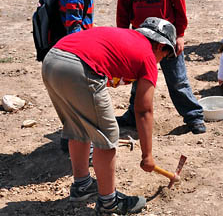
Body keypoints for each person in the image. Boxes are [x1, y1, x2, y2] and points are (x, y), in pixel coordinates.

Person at [42, 17, 177, 214]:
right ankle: (108, 203)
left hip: (53, 59)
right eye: (165, 55)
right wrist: (147, 156)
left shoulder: (126, 37)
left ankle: (82, 186)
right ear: (160, 46)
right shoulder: (148, 54)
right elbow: (143, 109)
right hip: (78, 67)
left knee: (78, 127)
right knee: (107, 135)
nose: (161, 60)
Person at [116, 0, 206, 134]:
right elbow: (122, 13)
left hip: (167, 38)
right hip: (139, 39)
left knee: (178, 79)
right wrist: (123, 39)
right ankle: (133, 114)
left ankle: (193, 115)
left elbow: (180, 8)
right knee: (138, 79)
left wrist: (180, 35)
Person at [59, 0, 109, 153]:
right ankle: (85, 151)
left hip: (70, 56)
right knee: (84, 107)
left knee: (72, 106)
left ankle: (67, 141)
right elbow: (74, 31)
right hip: (74, 58)